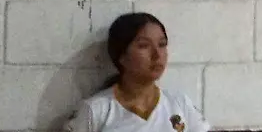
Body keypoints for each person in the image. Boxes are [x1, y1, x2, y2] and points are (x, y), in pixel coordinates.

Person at [64, 12, 210, 132]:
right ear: (121, 56)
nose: (157, 55)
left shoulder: (179, 103)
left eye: (162, 44)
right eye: (144, 46)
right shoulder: (95, 110)